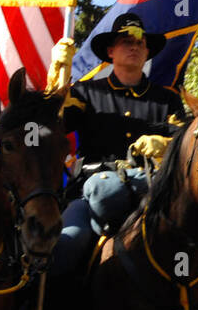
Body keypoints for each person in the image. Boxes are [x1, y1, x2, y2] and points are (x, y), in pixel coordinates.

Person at [49, 15, 188, 277]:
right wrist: (58, 77)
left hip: (153, 192)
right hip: (91, 192)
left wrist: (166, 145)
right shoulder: (84, 92)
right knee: (65, 247)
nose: (134, 47)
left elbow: (188, 142)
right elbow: (55, 126)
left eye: (140, 43)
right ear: (111, 51)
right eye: (126, 42)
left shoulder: (168, 98)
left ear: (147, 51)